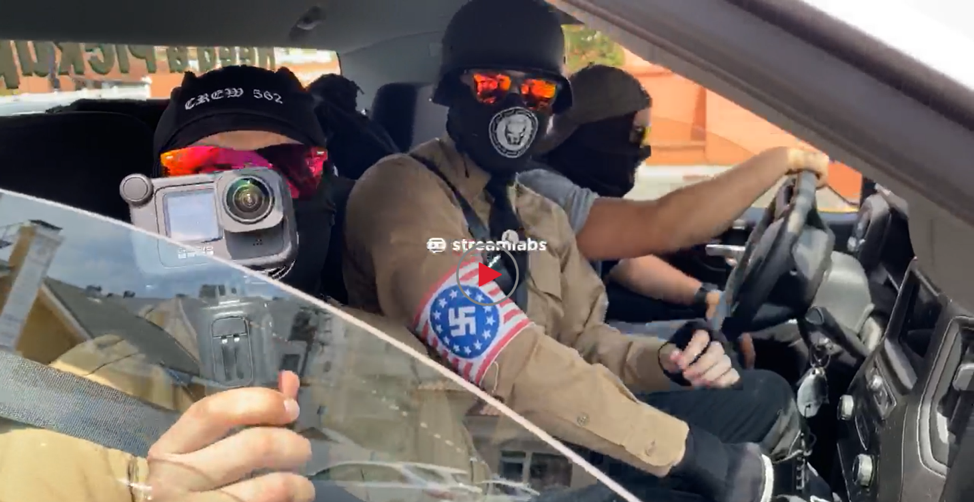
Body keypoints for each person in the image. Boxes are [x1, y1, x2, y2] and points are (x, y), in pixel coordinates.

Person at [342, 1, 815, 501]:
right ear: (452, 89)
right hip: (461, 462)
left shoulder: (539, 214)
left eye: (538, 89)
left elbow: (585, 341)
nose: (516, 103)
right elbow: (503, 353)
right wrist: (685, 451)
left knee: (764, 399)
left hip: (553, 438)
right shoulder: (402, 193)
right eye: (491, 84)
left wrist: (666, 360)